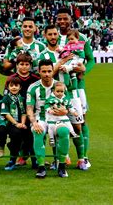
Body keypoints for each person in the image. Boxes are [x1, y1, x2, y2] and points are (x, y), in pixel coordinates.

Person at [38, 25, 87, 170]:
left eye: (55, 34)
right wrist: (60, 63)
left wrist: (81, 68)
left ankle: (82, 159)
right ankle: (58, 160)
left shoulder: (68, 50)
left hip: (72, 94)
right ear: (45, 36)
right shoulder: (43, 55)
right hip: (53, 96)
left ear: (58, 35)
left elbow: (79, 65)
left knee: (78, 127)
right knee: (54, 129)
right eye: (50, 34)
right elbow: (46, 75)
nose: (53, 37)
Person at [56, 7, 94, 168]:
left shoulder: (81, 37)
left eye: (65, 18)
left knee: (81, 122)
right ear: (56, 20)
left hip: (77, 88)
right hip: (56, 88)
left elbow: (91, 60)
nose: (62, 21)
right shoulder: (53, 37)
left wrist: (84, 70)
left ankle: (83, 157)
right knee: (56, 120)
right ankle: (62, 156)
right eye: (60, 19)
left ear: (71, 19)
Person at [26, 59, 69, 179]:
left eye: (49, 71)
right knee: (37, 131)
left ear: (52, 71)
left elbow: (68, 104)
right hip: (41, 117)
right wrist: (34, 123)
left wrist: (66, 110)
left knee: (64, 132)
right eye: (43, 71)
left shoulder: (60, 86)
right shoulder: (33, 88)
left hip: (58, 118)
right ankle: (41, 167)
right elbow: (29, 108)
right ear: (39, 72)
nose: (46, 74)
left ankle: (61, 166)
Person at [4, 52, 39, 167]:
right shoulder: (11, 79)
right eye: (21, 64)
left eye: (26, 64)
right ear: (17, 65)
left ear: (30, 65)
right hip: (14, 115)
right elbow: (6, 98)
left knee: (31, 136)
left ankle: (35, 160)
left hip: (31, 114)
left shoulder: (35, 79)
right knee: (15, 135)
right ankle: (13, 159)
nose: (24, 67)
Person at [44, 82, 77, 178]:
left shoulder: (65, 98)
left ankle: (73, 132)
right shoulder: (51, 99)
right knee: (50, 127)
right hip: (52, 117)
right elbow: (46, 106)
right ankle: (51, 139)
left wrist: (73, 112)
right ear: (53, 91)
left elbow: (70, 106)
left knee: (67, 123)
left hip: (62, 117)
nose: (60, 93)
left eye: (61, 91)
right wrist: (49, 110)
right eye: (58, 91)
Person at [1, 76, 28, 171]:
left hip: (21, 123)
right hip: (10, 123)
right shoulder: (6, 98)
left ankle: (33, 159)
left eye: (16, 85)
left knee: (29, 134)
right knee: (16, 134)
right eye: (11, 85)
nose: (14, 87)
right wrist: (16, 123)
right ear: (8, 87)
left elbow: (24, 112)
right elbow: (6, 114)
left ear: (20, 87)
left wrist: (23, 123)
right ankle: (12, 160)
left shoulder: (22, 98)